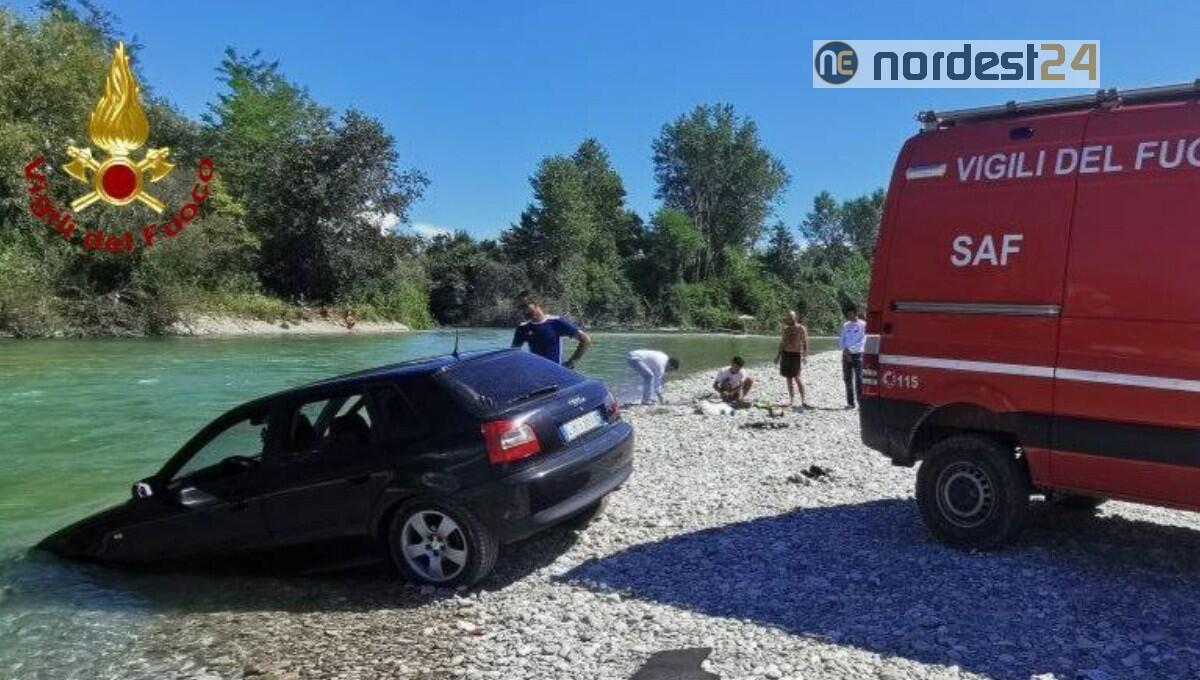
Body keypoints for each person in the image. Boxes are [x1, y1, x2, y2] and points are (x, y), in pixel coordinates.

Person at [511, 292, 591, 368]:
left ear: (536, 304)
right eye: (520, 308)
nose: (522, 311)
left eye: (525, 306)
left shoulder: (556, 322)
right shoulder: (522, 328)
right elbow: (513, 354)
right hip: (536, 374)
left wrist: (571, 363)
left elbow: (585, 340)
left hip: (555, 373)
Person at [774, 310, 809, 409]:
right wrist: (778, 356)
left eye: (791, 317)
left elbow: (805, 342)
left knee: (797, 377)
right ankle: (792, 399)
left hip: (796, 354)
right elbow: (782, 343)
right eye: (788, 317)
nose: (789, 319)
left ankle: (803, 400)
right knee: (788, 378)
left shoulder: (801, 328)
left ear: (796, 318)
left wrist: (805, 356)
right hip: (786, 354)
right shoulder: (786, 329)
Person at [840, 305, 867, 408]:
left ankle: (861, 403)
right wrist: (846, 351)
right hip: (846, 354)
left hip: (858, 354)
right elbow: (842, 340)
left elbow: (863, 341)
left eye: (851, 314)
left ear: (855, 314)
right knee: (847, 379)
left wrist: (851, 350)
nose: (849, 317)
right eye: (847, 315)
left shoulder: (863, 325)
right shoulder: (846, 325)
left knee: (859, 380)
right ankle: (850, 403)